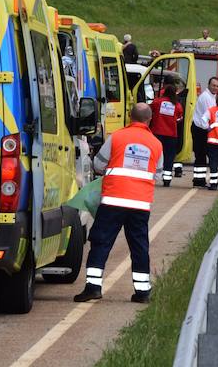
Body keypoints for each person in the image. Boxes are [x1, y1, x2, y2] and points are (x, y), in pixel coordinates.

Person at [74, 103, 163, 304]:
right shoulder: (156, 144)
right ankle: (142, 292)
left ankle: (93, 287)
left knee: (101, 242)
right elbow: (157, 174)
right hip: (140, 204)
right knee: (139, 246)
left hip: (113, 200)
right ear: (149, 120)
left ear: (130, 117)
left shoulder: (117, 137)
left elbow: (98, 164)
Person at [190, 77, 218, 187]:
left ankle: (200, 180)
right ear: (208, 85)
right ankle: (199, 181)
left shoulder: (212, 96)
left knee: (202, 154)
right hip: (200, 129)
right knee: (201, 154)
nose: (215, 88)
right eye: (214, 85)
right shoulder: (206, 97)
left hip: (203, 128)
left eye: (217, 86)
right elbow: (210, 115)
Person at [149, 84, 184, 186]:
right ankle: (167, 179)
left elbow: (150, 111)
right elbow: (179, 119)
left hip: (157, 133)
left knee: (155, 156)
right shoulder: (177, 105)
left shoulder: (157, 102)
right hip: (171, 135)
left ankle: (153, 176)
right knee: (169, 157)